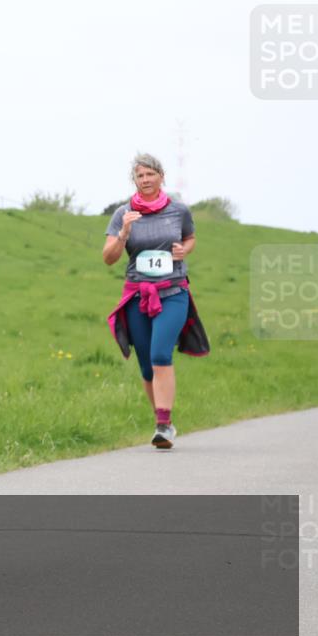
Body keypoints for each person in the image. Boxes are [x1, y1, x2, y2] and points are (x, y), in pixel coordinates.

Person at [103, 153, 209, 449]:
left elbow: (190, 238)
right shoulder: (123, 213)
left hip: (173, 291)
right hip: (137, 295)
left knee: (161, 354)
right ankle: (161, 421)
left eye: (150, 174)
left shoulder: (178, 210)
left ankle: (164, 424)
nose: (146, 180)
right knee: (146, 367)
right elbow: (108, 258)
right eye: (140, 175)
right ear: (134, 180)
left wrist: (184, 250)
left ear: (161, 176)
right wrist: (123, 233)